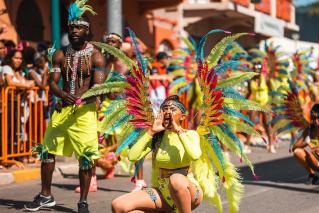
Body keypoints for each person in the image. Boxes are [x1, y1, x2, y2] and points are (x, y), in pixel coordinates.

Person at [24, 1, 106, 212]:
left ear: (87, 31)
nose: (74, 31)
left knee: (86, 157)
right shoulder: (59, 54)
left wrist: (82, 98)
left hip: (85, 113)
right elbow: (51, 83)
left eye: (78, 28)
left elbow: (98, 86)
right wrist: (62, 95)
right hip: (62, 110)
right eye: (71, 28)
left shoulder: (96, 55)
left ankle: (83, 202)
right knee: (47, 151)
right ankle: (45, 195)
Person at [112, 95, 203, 213]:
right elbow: (132, 156)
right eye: (165, 109)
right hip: (164, 193)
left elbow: (195, 155)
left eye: (173, 109)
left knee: (176, 180)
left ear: (183, 116)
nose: (168, 112)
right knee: (118, 205)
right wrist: (151, 131)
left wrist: (178, 130)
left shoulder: (190, 134)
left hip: (189, 192)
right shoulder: (157, 137)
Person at [292, 103, 319, 185]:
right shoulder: (309, 129)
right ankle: (312, 174)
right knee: (297, 151)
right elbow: (294, 147)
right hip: (316, 160)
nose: (316, 121)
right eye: (314, 118)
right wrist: (304, 143)